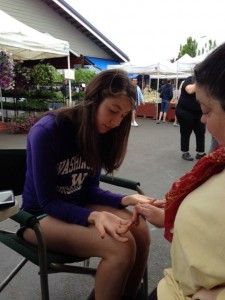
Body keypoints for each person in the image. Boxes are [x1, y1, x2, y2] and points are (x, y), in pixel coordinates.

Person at [20, 69, 156, 300]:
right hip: (39, 218)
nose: (116, 122)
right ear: (93, 99)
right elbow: (48, 202)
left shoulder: (100, 131)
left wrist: (126, 199)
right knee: (121, 247)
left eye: (123, 115)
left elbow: (88, 188)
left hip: (77, 205)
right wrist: (93, 217)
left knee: (140, 230)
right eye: (113, 111)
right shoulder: (47, 131)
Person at [135, 42, 225, 300]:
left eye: (207, 110)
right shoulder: (218, 161)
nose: (203, 119)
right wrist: (171, 214)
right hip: (175, 283)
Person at [175, 75, 206, 161]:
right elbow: (189, 90)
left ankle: (200, 153)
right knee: (186, 132)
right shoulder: (190, 79)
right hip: (185, 111)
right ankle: (185, 152)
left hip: (199, 112)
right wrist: (204, 82)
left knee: (201, 132)